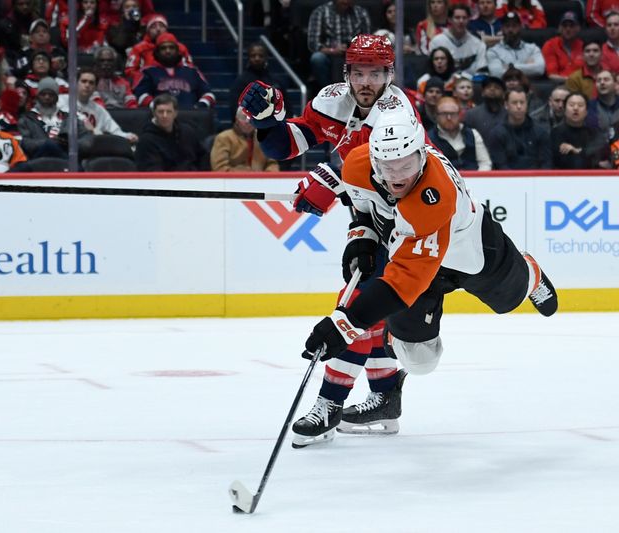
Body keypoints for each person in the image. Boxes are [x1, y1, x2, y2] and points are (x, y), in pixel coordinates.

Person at [294, 107, 558, 445]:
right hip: (416, 262)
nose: (397, 176)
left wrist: (345, 324)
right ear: (373, 160)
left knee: (509, 300)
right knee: (419, 360)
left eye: (406, 165)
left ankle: (529, 272)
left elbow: (403, 281)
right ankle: (391, 357)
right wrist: (362, 237)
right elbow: (364, 207)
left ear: (422, 155)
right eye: (388, 167)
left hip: (471, 253)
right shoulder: (357, 166)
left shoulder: (435, 195)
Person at [239, 34, 421, 441]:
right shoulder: (332, 100)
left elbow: (386, 174)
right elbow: (291, 143)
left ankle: (329, 405)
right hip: (371, 217)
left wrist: (330, 180)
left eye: (376, 73)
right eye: (359, 73)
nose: (367, 82)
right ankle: (385, 396)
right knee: (371, 309)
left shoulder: (397, 113)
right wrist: (269, 122)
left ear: (390, 75)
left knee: (355, 307)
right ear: (347, 73)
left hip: (409, 222)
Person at [134, 33, 216, 109]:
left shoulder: (192, 71)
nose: (168, 51)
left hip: (190, 116)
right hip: (160, 116)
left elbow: (209, 94)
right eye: (163, 48)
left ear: (178, 51)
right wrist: (156, 107)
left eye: (171, 47)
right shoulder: (148, 72)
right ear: (157, 52)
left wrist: (199, 107)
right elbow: (141, 95)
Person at [18, 77, 91, 160]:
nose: (47, 97)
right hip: (39, 161)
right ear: (38, 97)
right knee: (50, 146)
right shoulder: (27, 119)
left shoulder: (69, 118)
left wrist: (69, 144)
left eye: (51, 94)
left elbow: (87, 140)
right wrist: (48, 142)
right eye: (43, 94)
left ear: (57, 97)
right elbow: (25, 143)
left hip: (66, 157)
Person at [307, 0, 372, 90]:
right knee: (317, 58)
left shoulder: (361, 13)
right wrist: (333, 50)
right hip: (328, 53)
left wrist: (354, 49)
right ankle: (328, 90)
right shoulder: (320, 12)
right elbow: (313, 44)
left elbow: (368, 41)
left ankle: (359, 92)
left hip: (355, 55)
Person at [135, 93, 208, 171]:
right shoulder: (146, 140)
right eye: (160, 112)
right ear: (154, 113)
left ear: (175, 113)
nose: (165, 116)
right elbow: (151, 171)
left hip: (193, 177)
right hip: (164, 178)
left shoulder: (187, 131)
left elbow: (203, 156)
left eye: (169, 112)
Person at [61, 69, 138, 143]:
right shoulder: (62, 100)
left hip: (91, 146)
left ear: (95, 88)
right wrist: (87, 124)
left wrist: (128, 136)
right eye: (84, 81)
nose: (87, 85)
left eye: (91, 83)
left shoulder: (99, 109)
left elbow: (115, 130)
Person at [487, 87, 551, 168]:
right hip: (507, 175)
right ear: (506, 105)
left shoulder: (540, 132)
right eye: (514, 103)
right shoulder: (497, 134)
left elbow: (546, 163)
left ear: (527, 104)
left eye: (522, 102)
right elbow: (500, 165)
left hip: (535, 175)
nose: (519, 106)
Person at [125, 14, 195, 84]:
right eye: (153, 27)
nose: (158, 29)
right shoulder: (139, 48)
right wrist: (145, 78)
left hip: (176, 82)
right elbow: (130, 71)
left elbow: (190, 69)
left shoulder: (180, 48)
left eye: (161, 26)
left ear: (166, 29)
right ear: (148, 31)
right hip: (148, 83)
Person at [428, 96, 492, 170]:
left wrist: (478, 176)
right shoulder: (429, 139)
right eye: (444, 114)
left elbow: (485, 163)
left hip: (474, 175)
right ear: (436, 115)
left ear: (459, 115)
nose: (449, 118)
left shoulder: (473, 134)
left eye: (453, 114)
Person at [229, 42, 287, 120]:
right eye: (253, 55)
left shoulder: (276, 81)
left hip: (275, 123)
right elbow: (235, 108)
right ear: (248, 57)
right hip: (249, 123)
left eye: (261, 56)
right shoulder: (240, 82)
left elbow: (286, 106)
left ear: (266, 57)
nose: (257, 58)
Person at [551, 92, 609, 169]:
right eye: (571, 105)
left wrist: (575, 150)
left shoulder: (594, 133)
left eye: (580, 105)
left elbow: (597, 157)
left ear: (586, 112)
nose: (575, 108)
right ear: (564, 110)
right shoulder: (555, 133)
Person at [210, 108, 279, 172]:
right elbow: (220, 168)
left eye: (252, 118)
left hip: (262, 180)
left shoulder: (264, 138)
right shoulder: (224, 138)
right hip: (233, 180)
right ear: (237, 120)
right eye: (243, 118)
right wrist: (246, 175)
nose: (248, 122)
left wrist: (267, 176)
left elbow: (272, 163)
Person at [429, 3, 488, 77]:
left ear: (468, 20)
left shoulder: (478, 44)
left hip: (470, 83)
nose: (461, 21)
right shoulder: (437, 42)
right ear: (449, 19)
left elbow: (481, 72)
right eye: (457, 18)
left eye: (464, 18)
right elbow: (432, 70)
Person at [486, 12, 545, 79]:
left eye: (514, 26)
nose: (510, 30)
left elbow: (540, 69)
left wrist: (510, 67)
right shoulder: (493, 51)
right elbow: (496, 73)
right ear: (502, 28)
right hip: (506, 85)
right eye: (507, 26)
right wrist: (527, 66)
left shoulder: (532, 48)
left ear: (520, 27)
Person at [542, 11, 584, 82]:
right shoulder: (550, 45)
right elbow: (552, 75)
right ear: (559, 28)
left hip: (581, 84)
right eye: (565, 26)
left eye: (571, 26)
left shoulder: (584, 46)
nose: (568, 29)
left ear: (578, 28)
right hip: (559, 84)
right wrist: (571, 81)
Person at [464, 75, 506, 143]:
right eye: (488, 87)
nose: (492, 89)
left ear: (503, 94)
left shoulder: (509, 115)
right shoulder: (471, 114)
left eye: (497, 87)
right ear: (482, 93)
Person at [587, 69, 619, 143]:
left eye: (606, 80)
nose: (602, 83)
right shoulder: (589, 107)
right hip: (598, 147)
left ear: (615, 84)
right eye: (598, 80)